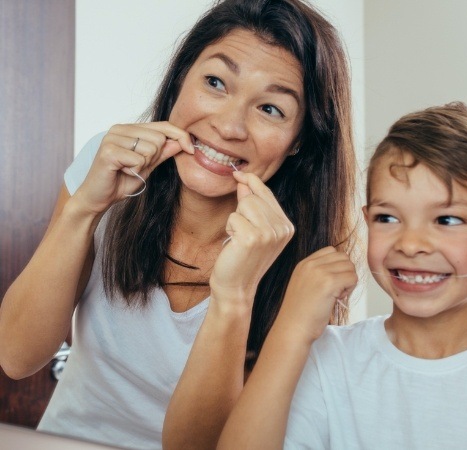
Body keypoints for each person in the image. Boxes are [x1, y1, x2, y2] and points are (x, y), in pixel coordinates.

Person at [0, 1, 359, 449]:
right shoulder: (110, 165)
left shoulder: (305, 267)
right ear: (179, 81)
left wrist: (235, 296)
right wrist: (83, 211)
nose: (228, 126)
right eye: (215, 82)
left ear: (299, 141)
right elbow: (16, 355)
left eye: (270, 109)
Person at [217, 102, 467, 449]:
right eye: (388, 218)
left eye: (447, 219)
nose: (412, 243)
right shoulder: (329, 359)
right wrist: (290, 330)